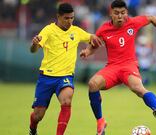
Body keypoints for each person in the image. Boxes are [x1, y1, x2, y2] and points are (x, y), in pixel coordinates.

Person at [80, 0, 156, 134]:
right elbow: (94, 45)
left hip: (128, 65)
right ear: (111, 14)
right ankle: (100, 122)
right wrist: (87, 51)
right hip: (112, 67)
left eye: (123, 13)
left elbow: (152, 18)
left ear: (127, 13)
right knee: (92, 84)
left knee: (138, 88)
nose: (120, 16)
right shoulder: (103, 28)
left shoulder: (133, 22)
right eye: (116, 13)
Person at [29, 3, 102, 135]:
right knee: (38, 115)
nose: (70, 21)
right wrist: (34, 44)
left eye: (72, 18)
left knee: (67, 100)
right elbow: (33, 50)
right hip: (46, 77)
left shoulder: (76, 31)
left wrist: (89, 48)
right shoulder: (48, 30)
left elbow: (92, 38)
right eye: (66, 18)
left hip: (65, 76)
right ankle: (32, 129)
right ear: (58, 16)